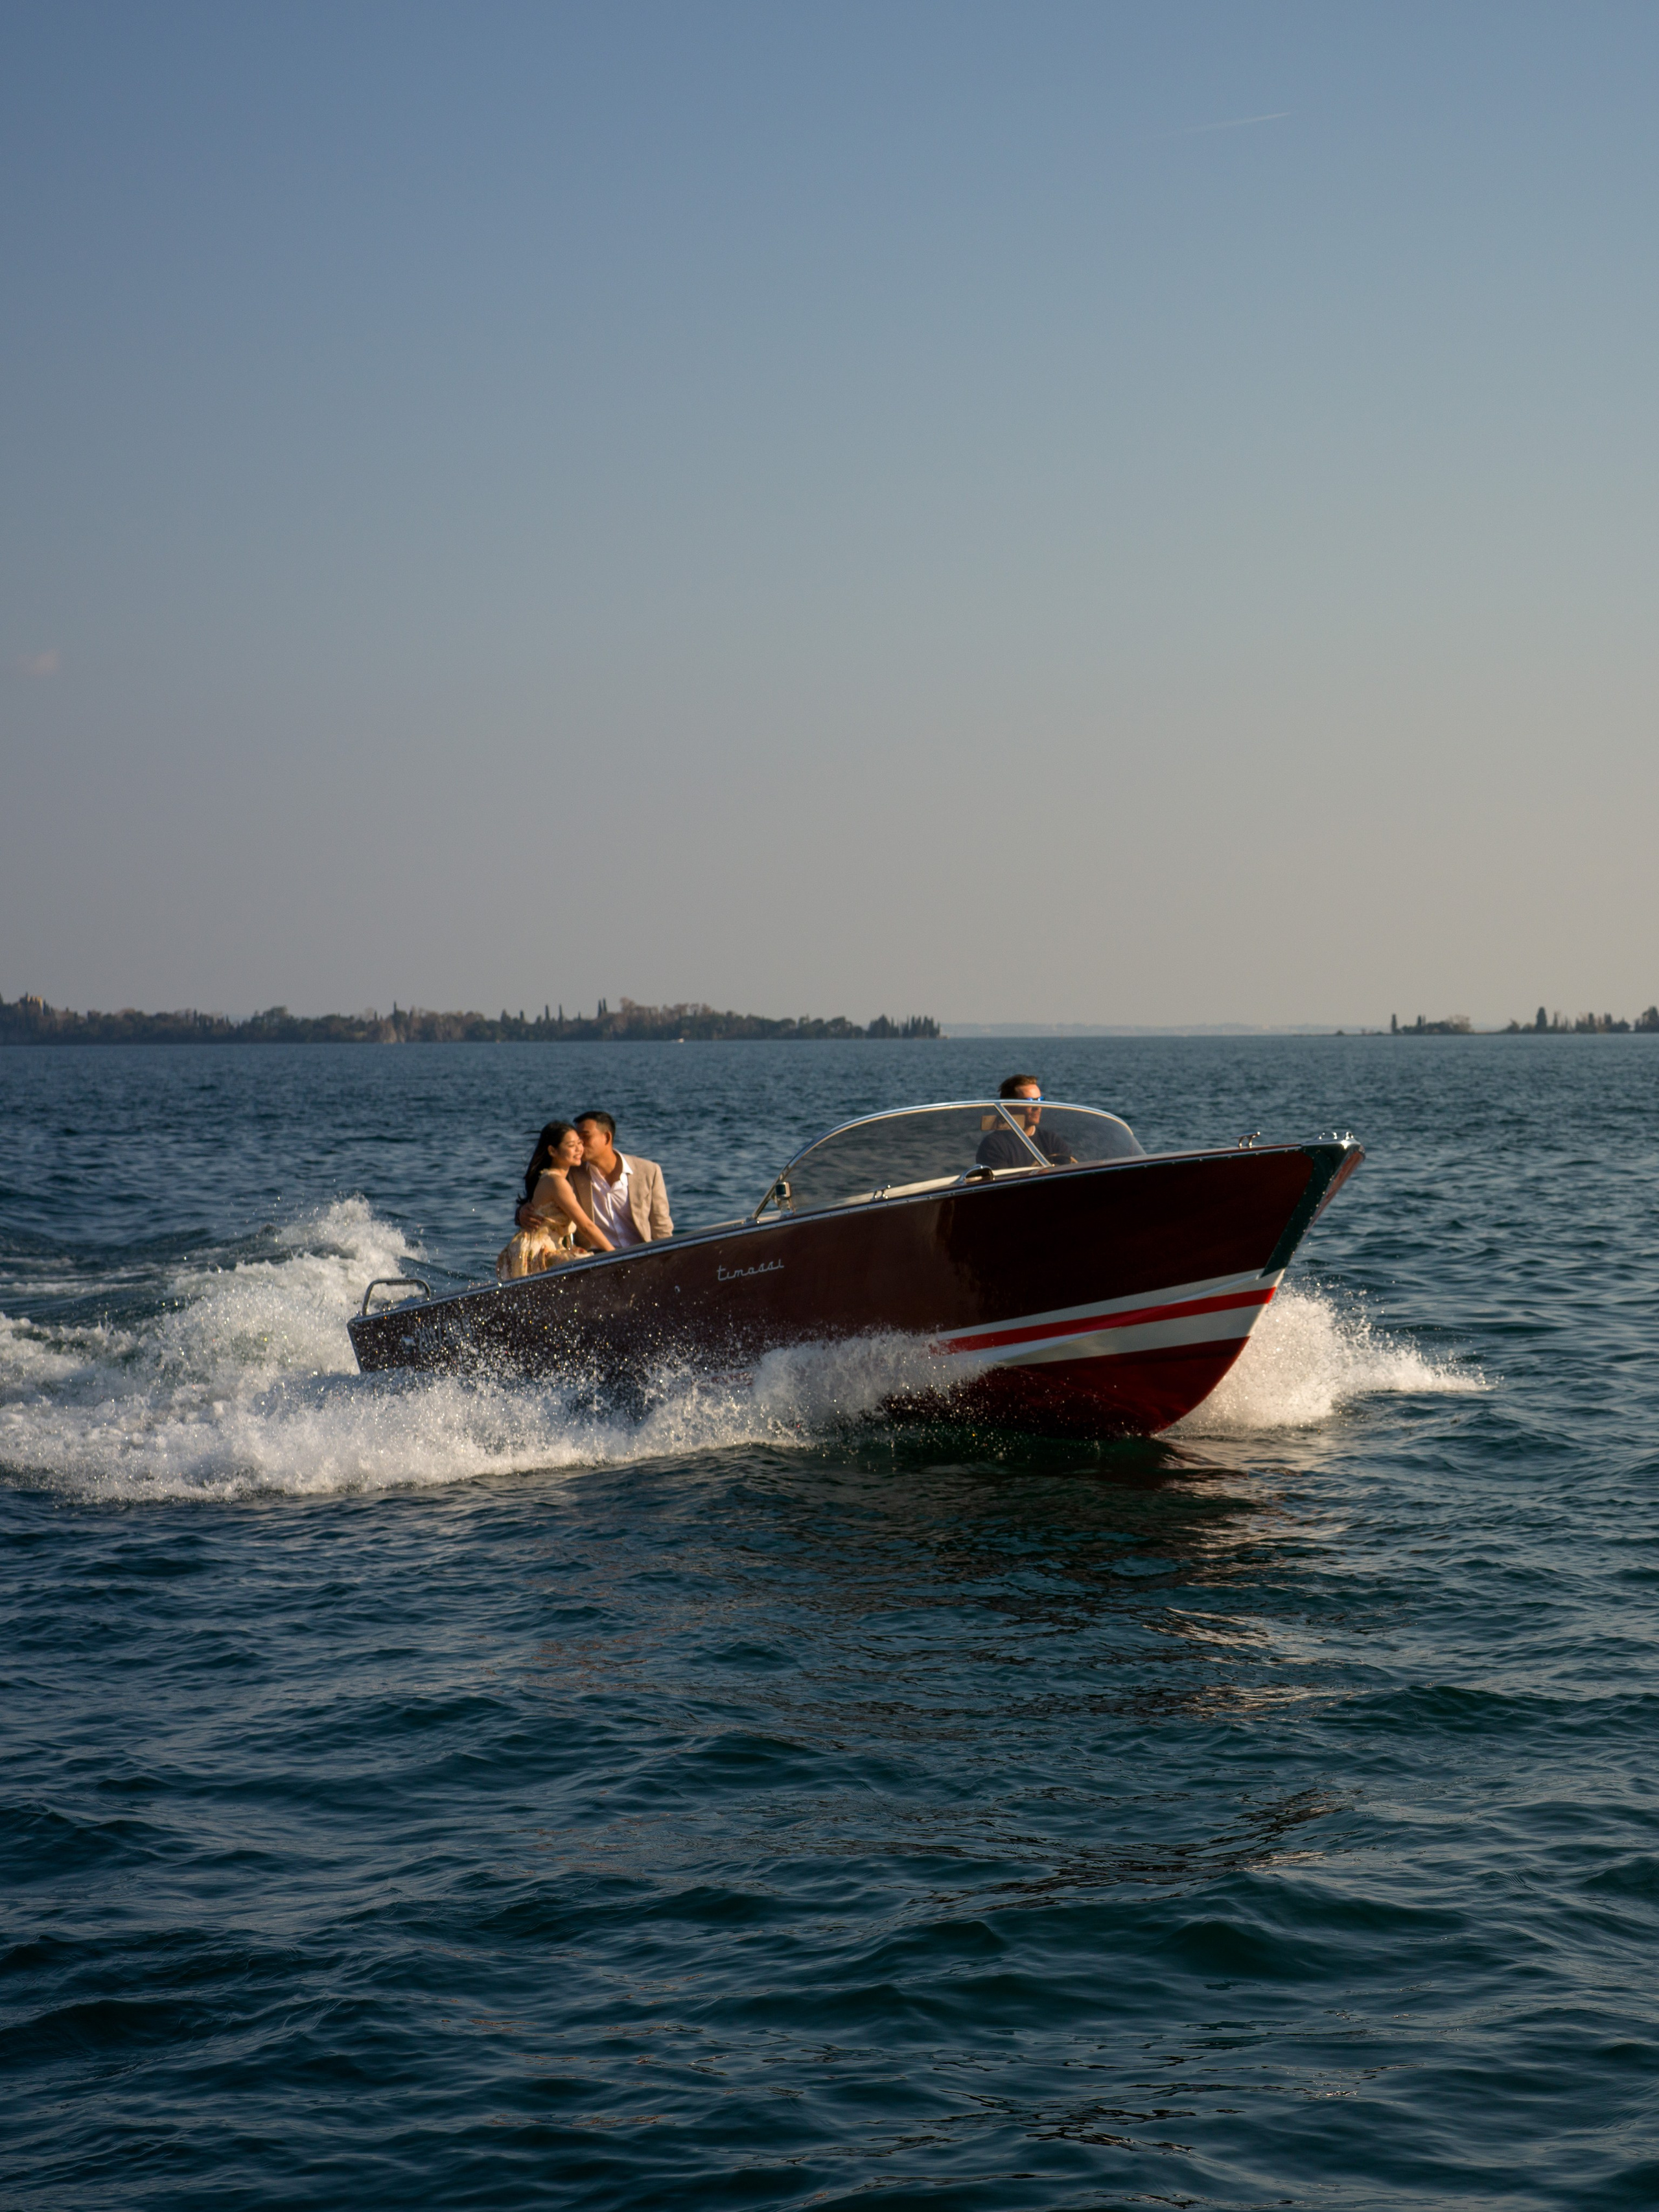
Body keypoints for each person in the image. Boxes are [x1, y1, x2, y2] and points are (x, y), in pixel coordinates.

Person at [515, 1109, 673, 1249]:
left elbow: (662, 1229)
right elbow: (542, 1199)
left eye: (584, 1138)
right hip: (596, 1258)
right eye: (577, 1140)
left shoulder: (648, 1171)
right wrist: (522, 1213)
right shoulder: (571, 1171)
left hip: (640, 1252)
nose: (580, 1145)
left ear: (607, 1137)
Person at [496, 1121, 616, 1280]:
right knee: (592, 1265)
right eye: (571, 1145)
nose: (579, 1149)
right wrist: (616, 1256)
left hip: (542, 1248)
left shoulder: (554, 1177)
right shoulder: (556, 1182)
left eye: (580, 1143)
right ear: (553, 1151)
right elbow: (586, 1227)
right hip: (536, 1252)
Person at [975, 1074, 1076, 1169]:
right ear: (1010, 1107)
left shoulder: (1051, 1140)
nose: (1038, 1107)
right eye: (1030, 1101)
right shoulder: (994, 1145)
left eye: (1040, 1100)